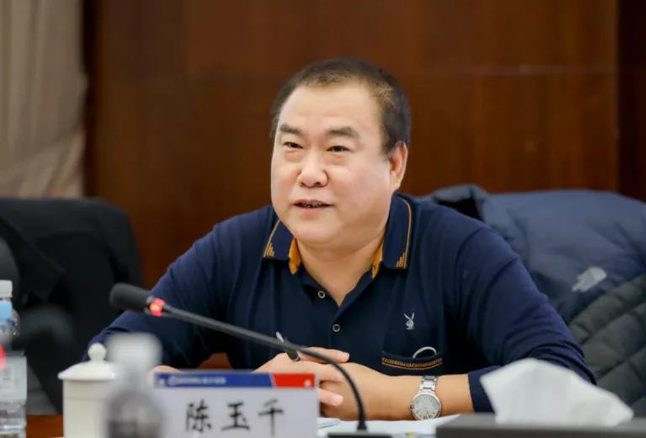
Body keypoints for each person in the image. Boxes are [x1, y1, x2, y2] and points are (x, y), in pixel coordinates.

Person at [88, 57, 594, 420]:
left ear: (394, 164)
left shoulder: (461, 250)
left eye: (336, 149)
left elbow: (565, 380)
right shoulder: (235, 249)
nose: (308, 173)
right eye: (291, 146)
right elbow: (101, 372)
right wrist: (246, 392)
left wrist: (398, 397)